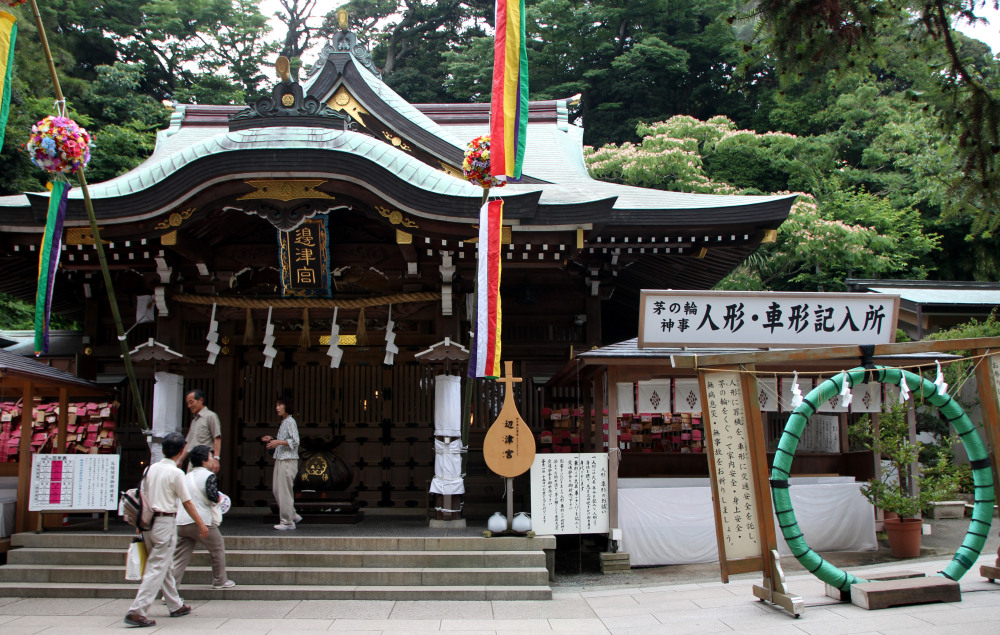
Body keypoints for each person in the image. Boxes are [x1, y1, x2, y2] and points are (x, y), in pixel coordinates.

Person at [125, 432, 208, 628]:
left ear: (163, 450)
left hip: (147, 522)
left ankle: (175, 604)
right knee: (157, 567)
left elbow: (141, 496)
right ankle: (137, 610)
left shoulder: (150, 469)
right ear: (181, 451)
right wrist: (201, 524)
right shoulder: (176, 473)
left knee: (164, 564)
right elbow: (187, 502)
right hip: (164, 521)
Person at [171, 445, 235, 590]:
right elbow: (212, 495)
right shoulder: (208, 476)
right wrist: (219, 500)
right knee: (217, 546)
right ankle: (220, 580)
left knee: (180, 557)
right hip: (201, 520)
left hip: (181, 522)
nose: (212, 459)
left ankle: (171, 589)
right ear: (204, 460)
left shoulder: (185, 476)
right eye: (210, 457)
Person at [262, 396, 300, 530]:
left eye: (280, 405)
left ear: (287, 406)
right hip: (281, 458)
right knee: (277, 490)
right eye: (277, 405)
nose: (277, 408)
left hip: (288, 460)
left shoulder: (290, 421)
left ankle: (287, 521)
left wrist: (277, 442)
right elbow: (286, 439)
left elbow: (295, 441)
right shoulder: (285, 421)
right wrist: (273, 439)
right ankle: (292, 514)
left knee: (283, 491)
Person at [177, 389, 222, 469]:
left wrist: (216, 459)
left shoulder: (210, 416)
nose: (189, 406)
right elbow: (189, 443)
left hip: (205, 460)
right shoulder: (194, 420)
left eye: (191, 402)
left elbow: (217, 438)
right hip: (192, 460)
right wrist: (180, 460)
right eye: (188, 403)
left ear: (200, 400)